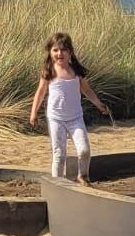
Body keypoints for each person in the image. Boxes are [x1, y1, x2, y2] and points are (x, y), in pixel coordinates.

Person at [29, 32, 109, 185]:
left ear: (70, 52)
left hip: (75, 118)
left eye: (64, 50)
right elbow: (40, 93)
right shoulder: (49, 71)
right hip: (56, 119)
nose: (60, 54)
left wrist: (98, 104)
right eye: (55, 50)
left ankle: (82, 176)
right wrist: (34, 113)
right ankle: (57, 184)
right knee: (59, 154)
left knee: (84, 150)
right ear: (50, 52)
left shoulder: (76, 71)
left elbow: (87, 90)